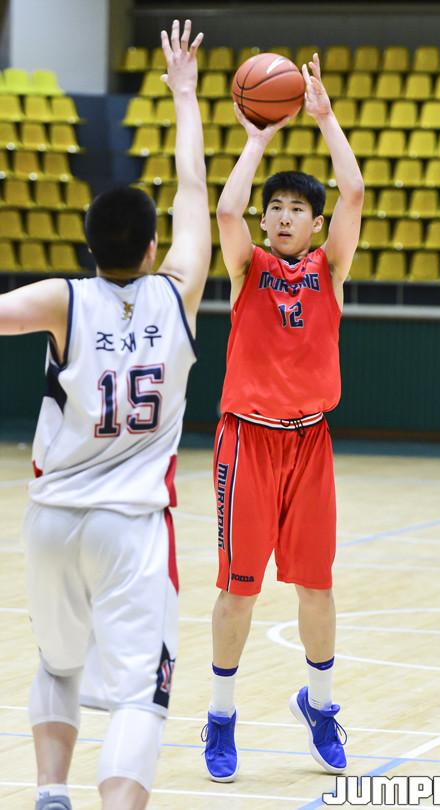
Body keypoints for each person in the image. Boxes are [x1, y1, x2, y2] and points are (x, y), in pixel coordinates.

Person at [0, 20, 210, 810]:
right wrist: (184, 95)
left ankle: (50, 793)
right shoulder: (178, 293)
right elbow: (194, 192)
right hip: (131, 527)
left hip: (52, 519)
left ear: (90, 248)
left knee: (58, 664)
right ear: (153, 248)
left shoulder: (64, 300)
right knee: (139, 695)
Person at [202, 54, 364, 781]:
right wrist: (258, 137)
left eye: (298, 209)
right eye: (277, 208)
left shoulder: (330, 269)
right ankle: (220, 718)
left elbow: (354, 190)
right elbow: (225, 211)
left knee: (317, 586)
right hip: (249, 441)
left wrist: (324, 118)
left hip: (310, 443)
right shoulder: (250, 269)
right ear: (265, 220)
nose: (285, 217)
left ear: (316, 223)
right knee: (238, 589)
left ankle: (320, 706)